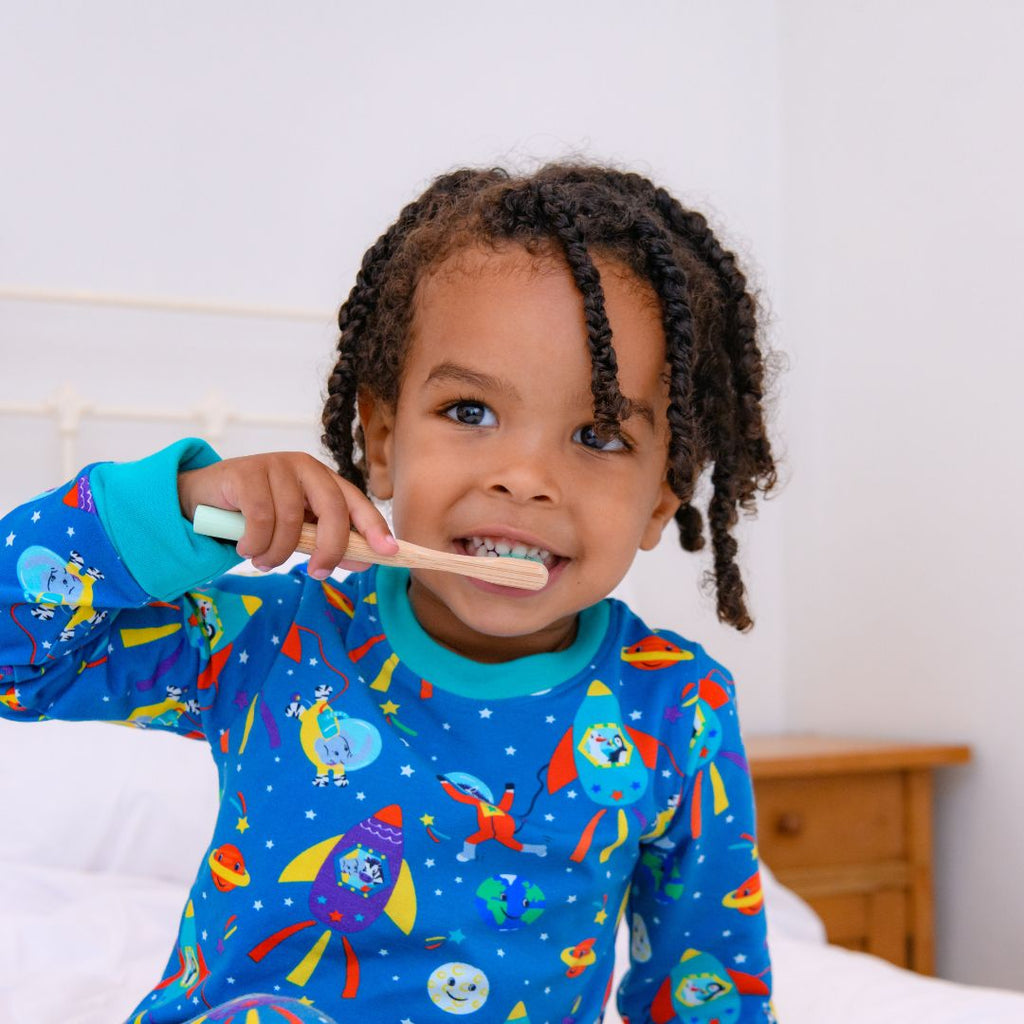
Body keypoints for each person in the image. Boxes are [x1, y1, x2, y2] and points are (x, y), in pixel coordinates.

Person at [0, 164, 780, 1023]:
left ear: (660, 501)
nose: (525, 479)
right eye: (471, 412)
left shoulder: (678, 710)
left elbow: (704, 991)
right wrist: (180, 509)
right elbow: (18, 655)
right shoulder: (272, 638)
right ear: (379, 439)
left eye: (598, 434)